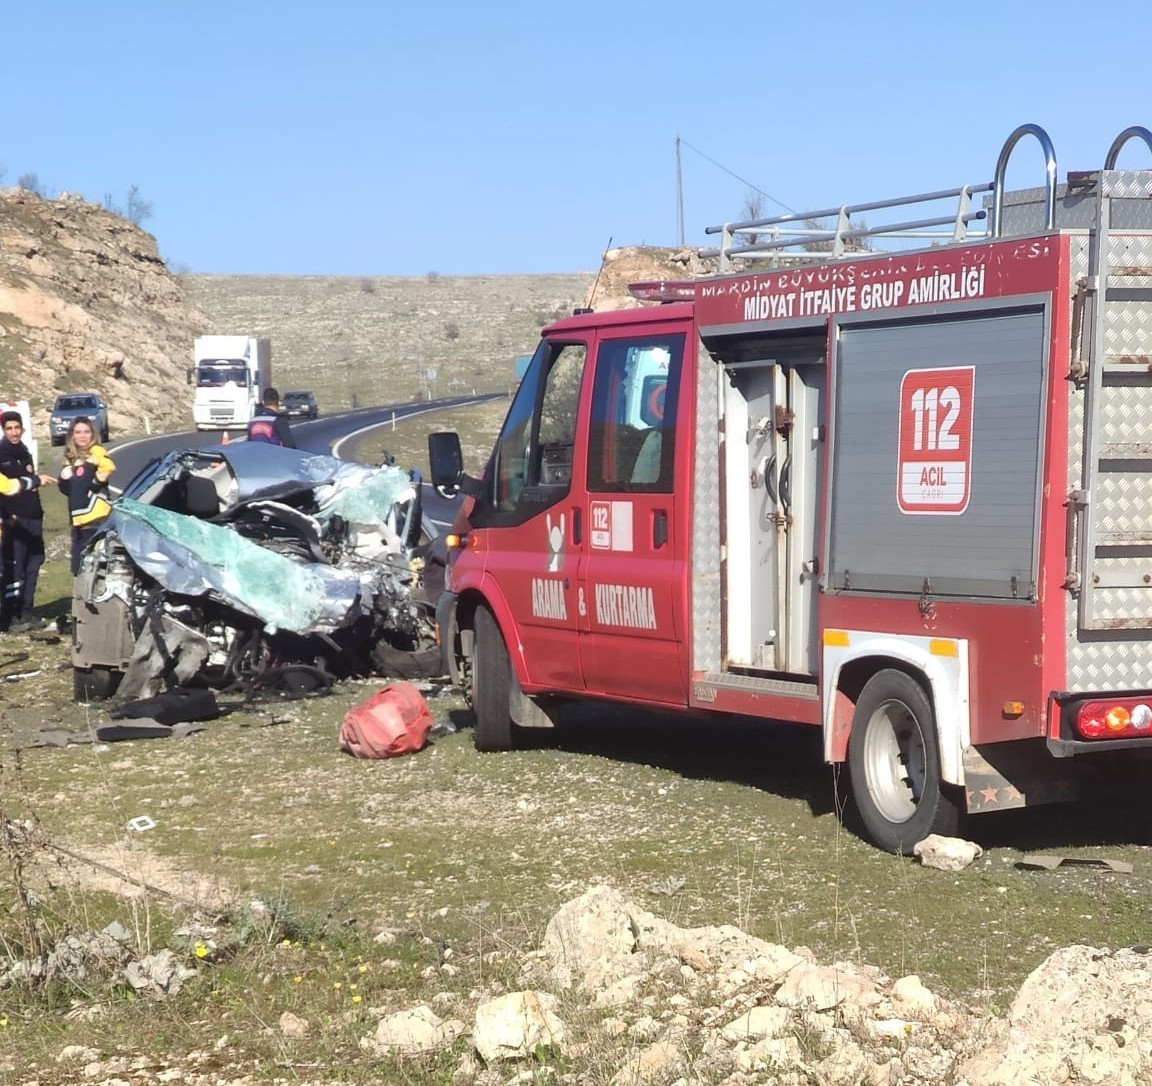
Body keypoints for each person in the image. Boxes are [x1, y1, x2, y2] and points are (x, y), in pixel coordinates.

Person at [0, 411, 54, 632]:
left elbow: (31, 488)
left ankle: (27, 610)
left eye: (16, 427)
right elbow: (9, 488)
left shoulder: (24, 451)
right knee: (16, 568)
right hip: (15, 521)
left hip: (33, 517)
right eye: (9, 428)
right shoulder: (1, 452)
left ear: (22, 429)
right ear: (4, 430)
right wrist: (6, 516)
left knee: (35, 562)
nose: (13, 432)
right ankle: (11, 616)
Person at [57, 417, 115, 575]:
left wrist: (96, 479)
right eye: (78, 432)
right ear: (72, 435)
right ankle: (83, 597)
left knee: (93, 563)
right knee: (78, 566)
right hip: (78, 520)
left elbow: (108, 466)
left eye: (86, 432)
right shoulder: (70, 457)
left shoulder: (96, 451)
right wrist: (64, 478)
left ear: (92, 434)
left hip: (96, 517)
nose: (82, 436)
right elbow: (66, 489)